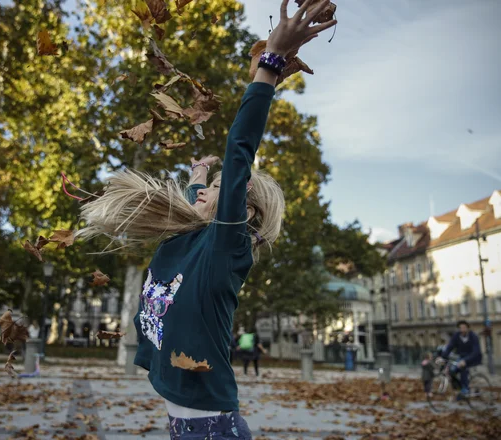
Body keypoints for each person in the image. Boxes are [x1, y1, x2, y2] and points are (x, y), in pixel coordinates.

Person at [78, 1, 336, 437]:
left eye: (221, 189)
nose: (204, 192)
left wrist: (269, 67)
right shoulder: (189, 235)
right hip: (185, 425)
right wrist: (199, 174)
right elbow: (200, 199)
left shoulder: (225, 249)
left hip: (214, 429)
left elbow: (239, 153)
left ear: (243, 212)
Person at [437, 320, 482, 399]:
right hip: (461, 357)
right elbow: (450, 346)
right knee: (451, 371)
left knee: (462, 367)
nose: (462, 330)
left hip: (473, 357)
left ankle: (465, 388)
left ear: (468, 328)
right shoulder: (457, 336)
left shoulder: (473, 336)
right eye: (460, 328)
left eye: (464, 327)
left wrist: (465, 360)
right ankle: (460, 389)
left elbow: (476, 351)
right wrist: (442, 357)